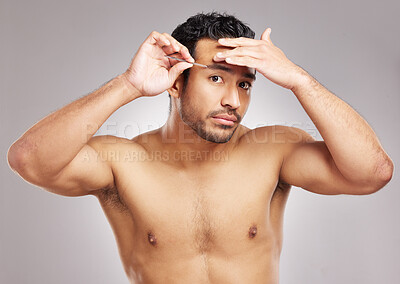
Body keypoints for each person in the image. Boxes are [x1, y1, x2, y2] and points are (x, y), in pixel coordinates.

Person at [7, 12, 394, 283]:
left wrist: (300, 81)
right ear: (177, 82)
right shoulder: (124, 163)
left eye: (244, 84)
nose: (233, 100)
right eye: (215, 77)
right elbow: (30, 160)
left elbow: (372, 173)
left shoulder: (274, 151)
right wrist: (128, 84)